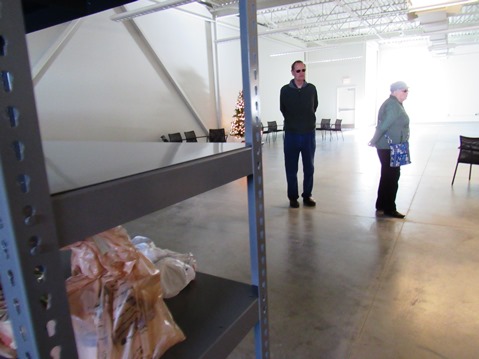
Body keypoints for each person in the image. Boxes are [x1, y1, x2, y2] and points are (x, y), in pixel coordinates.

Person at [369, 81, 410, 218]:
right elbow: (384, 125)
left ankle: (381, 204)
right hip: (389, 147)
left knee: (387, 175)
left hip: (389, 146)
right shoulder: (393, 105)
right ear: (395, 91)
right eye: (404, 91)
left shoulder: (395, 104)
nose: (406, 93)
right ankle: (389, 208)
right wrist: (374, 140)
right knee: (392, 176)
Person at [280, 60, 318, 208]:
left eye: (303, 70)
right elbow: (283, 108)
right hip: (292, 134)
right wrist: (294, 122)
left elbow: (314, 106)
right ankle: (293, 197)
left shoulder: (311, 89)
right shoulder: (285, 90)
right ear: (292, 72)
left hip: (308, 134)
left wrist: (306, 122)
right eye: (298, 71)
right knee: (291, 167)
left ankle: (307, 195)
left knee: (309, 167)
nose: (301, 73)